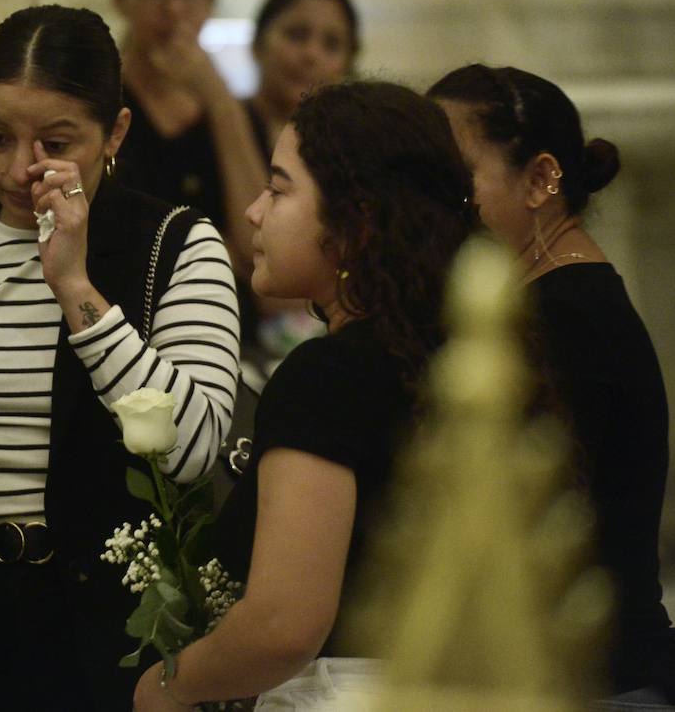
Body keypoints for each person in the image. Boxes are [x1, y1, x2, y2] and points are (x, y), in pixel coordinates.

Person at [0, 4, 240, 710]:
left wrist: (73, 285)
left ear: (114, 133)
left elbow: (192, 448)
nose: (18, 168)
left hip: (98, 622)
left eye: (54, 141)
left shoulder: (174, 243)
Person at [133, 82, 475, 710]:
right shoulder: (459, 357)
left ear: (357, 221)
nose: (255, 212)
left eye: (280, 188)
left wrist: (167, 686)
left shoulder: (328, 376)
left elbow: (283, 624)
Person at [430, 64, 675, 707]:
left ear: (542, 178)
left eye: (453, 179)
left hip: (596, 683)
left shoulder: (564, 315)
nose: (432, 205)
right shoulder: (551, 299)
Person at [112, 0, 360, 357]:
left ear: (209, 3)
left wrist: (218, 100)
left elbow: (257, 242)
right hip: (127, 323)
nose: (173, 8)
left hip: (229, 338)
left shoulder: (233, 112)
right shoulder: (101, 105)